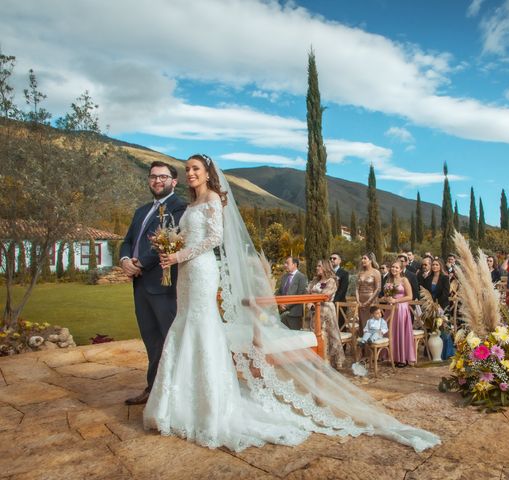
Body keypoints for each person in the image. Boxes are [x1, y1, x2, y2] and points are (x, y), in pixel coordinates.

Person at [143, 154, 439, 452]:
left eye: (196, 169)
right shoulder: (191, 204)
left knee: (201, 324)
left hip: (202, 269)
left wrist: (179, 254)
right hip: (185, 274)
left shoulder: (212, 200)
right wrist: (171, 243)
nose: (191, 173)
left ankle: (210, 405)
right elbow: (189, 235)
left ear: (208, 173)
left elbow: (215, 238)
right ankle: (180, 402)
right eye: (188, 169)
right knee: (185, 323)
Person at [119, 161, 187, 405]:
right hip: (140, 286)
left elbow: (171, 239)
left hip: (163, 285)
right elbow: (127, 240)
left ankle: (171, 394)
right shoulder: (141, 211)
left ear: (174, 181)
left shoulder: (180, 208)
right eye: (153, 177)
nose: (158, 181)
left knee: (168, 339)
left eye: (163, 177)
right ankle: (153, 388)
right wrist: (125, 259)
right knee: (151, 339)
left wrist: (140, 264)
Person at [306, 260, 344, 369]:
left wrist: (312, 300)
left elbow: (324, 295)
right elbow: (308, 291)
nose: (317, 268)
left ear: (326, 267)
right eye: (316, 266)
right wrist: (310, 301)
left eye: (319, 266)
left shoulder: (331, 281)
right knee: (314, 334)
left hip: (326, 310)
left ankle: (332, 361)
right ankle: (316, 358)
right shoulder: (315, 280)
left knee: (330, 335)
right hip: (314, 310)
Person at [383, 261, 416, 367]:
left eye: (396, 267)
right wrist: (386, 298)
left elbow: (410, 296)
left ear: (401, 270)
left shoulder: (404, 280)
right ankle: (392, 356)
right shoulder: (389, 280)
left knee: (400, 332)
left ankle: (402, 358)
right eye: (392, 267)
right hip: (390, 308)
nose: (394, 269)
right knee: (391, 331)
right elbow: (387, 295)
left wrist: (396, 301)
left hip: (401, 308)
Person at [277, 256, 308, 330]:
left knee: (294, 337)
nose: (285, 265)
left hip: (294, 313)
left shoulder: (302, 277)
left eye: (287, 263)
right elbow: (279, 292)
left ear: (294, 265)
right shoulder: (284, 277)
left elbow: (300, 295)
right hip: (281, 311)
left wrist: (285, 306)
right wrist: (279, 303)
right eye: (285, 263)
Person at [356, 252, 381, 334]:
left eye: (365, 258)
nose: (362, 260)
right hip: (361, 303)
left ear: (370, 260)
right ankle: (363, 345)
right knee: (363, 325)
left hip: (372, 303)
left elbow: (378, 289)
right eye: (362, 258)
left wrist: (368, 302)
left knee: (371, 325)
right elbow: (356, 288)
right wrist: (358, 301)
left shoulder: (376, 272)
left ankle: (372, 345)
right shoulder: (360, 273)